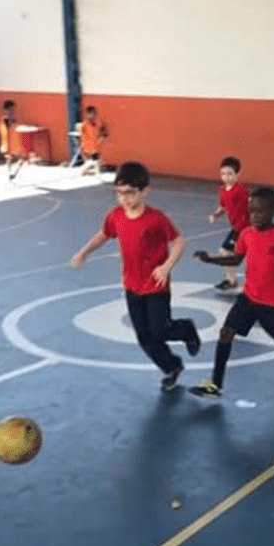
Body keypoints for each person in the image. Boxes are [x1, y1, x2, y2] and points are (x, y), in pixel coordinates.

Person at [69, 161, 201, 391]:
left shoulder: (156, 219)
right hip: (132, 286)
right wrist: (83, 252)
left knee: (159, 331)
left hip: (156, 286)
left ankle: (187, 329)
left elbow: (178, 242)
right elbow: (103, 235)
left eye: (129, 193)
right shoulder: (116, 216)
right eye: (119, 193)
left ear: (144, 191)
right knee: (144, 336)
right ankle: (171, 367)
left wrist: (167, 266)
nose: (124, 199)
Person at [189, 186, 274, 399]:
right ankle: (215, 385)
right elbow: (236, 259)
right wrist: (210, 259)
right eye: (250, 211)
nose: (253, 216)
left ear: (273, 210)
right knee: (226, 333)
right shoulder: (246, 234)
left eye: (259, 211)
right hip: (248, 298)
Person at [207, 156, 249, 291]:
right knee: (225, 252)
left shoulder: (241, 191)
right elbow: (223, 206)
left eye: (230, 174)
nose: (226, 177)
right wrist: (216, 214)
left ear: (238, 174)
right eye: (223, 174)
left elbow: (251, 205)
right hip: (236, 229)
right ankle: (231, 281)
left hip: (246, 229)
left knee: (250, 257)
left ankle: (256, 284)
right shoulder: (223, 190)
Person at [75, 105, 108, 175]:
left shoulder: (98, 123)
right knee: (94, 158)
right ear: (86, 114)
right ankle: (85, 168)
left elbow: (103, 131)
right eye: (89, 114)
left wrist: (103, 135)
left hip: (96, 146)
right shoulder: (84, 125)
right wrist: (79, 147)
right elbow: (78, 135)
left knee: (96, 159)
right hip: (88, 147)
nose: (91, 116)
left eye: (93, 114)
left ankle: (89, 169)